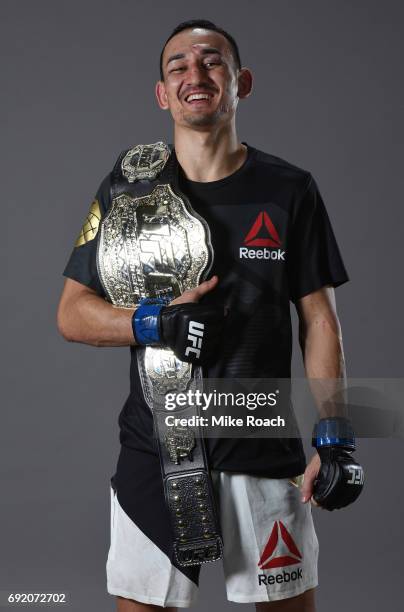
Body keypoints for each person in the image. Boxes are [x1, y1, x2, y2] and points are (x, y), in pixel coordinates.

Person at [57, 19, 362, 612]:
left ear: (241, 81)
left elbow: (320, 321)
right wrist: (154, 323)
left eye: (212, 62)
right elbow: (72, 314)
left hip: (261, 443)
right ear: (162, 94)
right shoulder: (127, 189)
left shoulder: (289, 188)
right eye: (178, 66)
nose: (195, 75)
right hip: (156, 446)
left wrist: (337, 436)